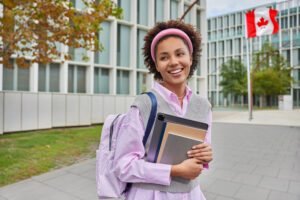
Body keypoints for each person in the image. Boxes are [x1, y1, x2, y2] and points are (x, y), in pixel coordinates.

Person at [114, 20, 213, 200]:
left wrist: (205, 155)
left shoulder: (203, 106)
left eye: (179, 53)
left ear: (191, 57)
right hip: (150, 195)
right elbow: (123, 166)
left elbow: (199, 154)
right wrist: (175, 170)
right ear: (156, 65)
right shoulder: (144, 105)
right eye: (164, 57)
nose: (173, 62)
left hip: (191, 194)